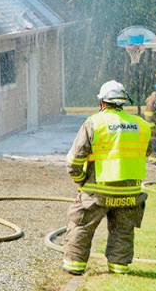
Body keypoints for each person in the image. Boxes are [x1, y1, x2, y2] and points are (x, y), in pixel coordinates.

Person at [64, 80, 150, 275]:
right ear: (123, 102)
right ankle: (119, 267)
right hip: (130, 193)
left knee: (81, 225)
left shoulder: (94, 123)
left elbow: (74, 160)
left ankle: (74, 266)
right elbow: (145, 152)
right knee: (123, 230)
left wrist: (81, 179)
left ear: (102, 102)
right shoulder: (141, 125)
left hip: (98, 191)